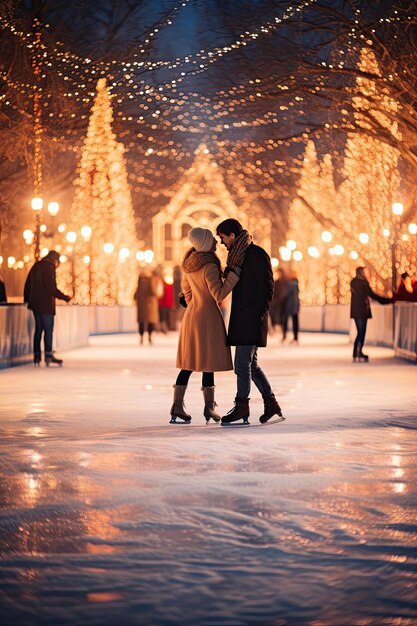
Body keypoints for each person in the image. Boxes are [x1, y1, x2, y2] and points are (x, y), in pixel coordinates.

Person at [216, 218, 283, 425]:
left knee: (241, 365)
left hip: (251, 319)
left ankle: (242, 405)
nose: (221, 242)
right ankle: (271, 404)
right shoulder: (238, 258)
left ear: (233, 236)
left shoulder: (255, 254)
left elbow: (268, 287)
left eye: (222, 237)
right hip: (244, 318)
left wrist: (258, 315)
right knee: (251, 365)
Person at [171, 227, 240, 424]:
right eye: (212, 240)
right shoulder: (209, 266)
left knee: (190, 363)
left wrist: (194, 301)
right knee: (207, 363)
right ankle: (209, 408)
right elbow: (218, 294)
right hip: (208, 317)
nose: (216, 243)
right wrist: (233, 277)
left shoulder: (189, 265)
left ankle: (177, 406)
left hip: (192, 316)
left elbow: (187, 293)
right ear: (206, 243)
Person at [23, 250, 71, 367]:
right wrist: (65, 297)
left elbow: (28, 283)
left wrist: (27, 298)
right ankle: (48, 356)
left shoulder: (36, 265)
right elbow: (51, 288)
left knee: (38, 330)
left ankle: (37, 356)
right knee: (48, 330)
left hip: (35, 304)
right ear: (55, 260)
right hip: (45, 305)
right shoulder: (49, 268)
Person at [350, 266, 392, 362]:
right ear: (361, 273)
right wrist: (386, 300)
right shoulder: (363, 283)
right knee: (362, 332)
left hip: (356, 311)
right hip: (362, 310)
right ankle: (358, 352)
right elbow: (372, 295)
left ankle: (356, 352)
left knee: (359, 332)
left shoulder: (353, 282)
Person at [134, 270, 161, 345]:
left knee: (141, 322)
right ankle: (149, 336)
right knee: (150, 321)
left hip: (142, 304)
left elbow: (136, 294)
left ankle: (141, 337)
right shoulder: (151, 280)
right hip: (150, 304)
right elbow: (153, 291)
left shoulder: (140, 282)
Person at [269, 268, 288, 339]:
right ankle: (274, 327)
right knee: (273, 314)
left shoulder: (285, 282)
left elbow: (285, 292)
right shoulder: (277, 282)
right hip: (276, 302)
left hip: (283, 303)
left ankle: (284, 334)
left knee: (282, 318)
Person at [283, 270, 300, 344]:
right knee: (295, 321)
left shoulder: (290, 284)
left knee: (286, 320)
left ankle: (284, 336)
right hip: (295, 305)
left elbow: (286, 294)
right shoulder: (296, 284)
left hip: (289, 305)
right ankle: (295, 337)